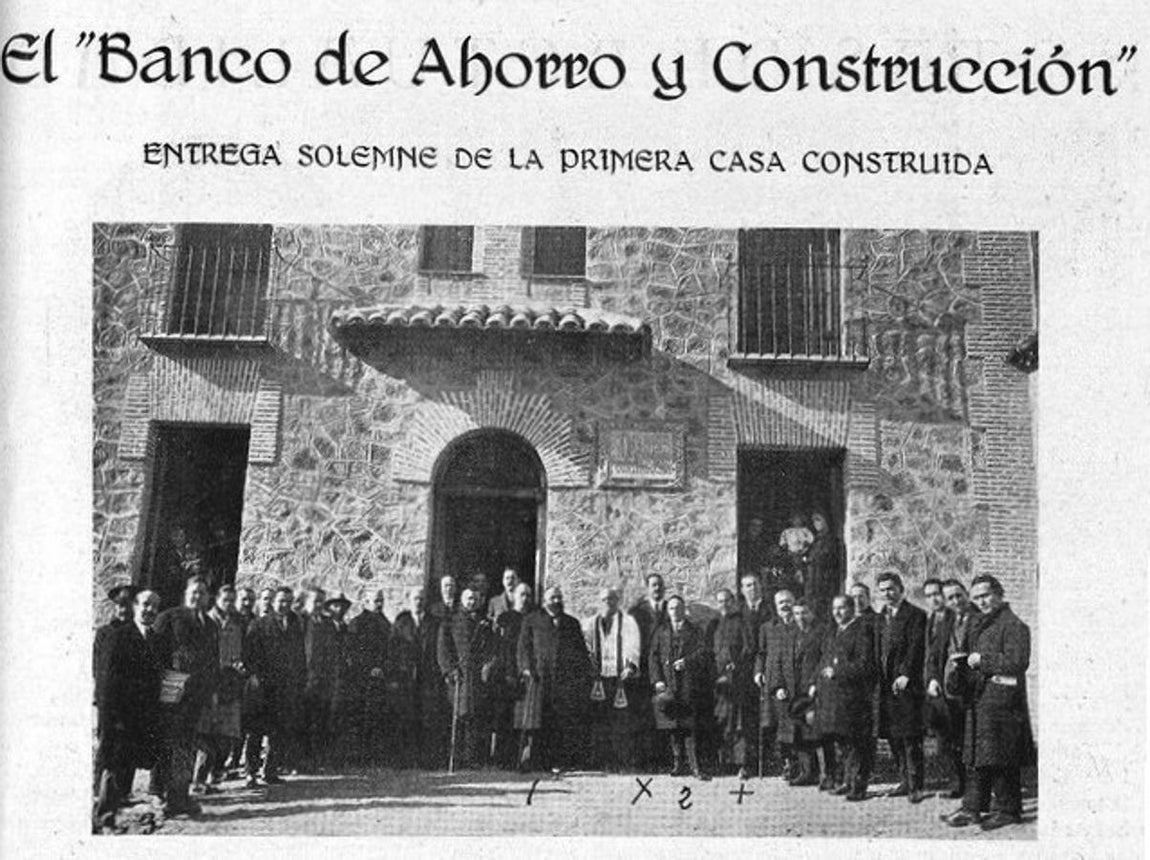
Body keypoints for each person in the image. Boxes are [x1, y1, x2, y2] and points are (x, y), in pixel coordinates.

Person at [942, 575, 1034, 832]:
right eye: (977, 597)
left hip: (1004, 705)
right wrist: (960, 668)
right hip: (980, 701)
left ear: (999, 594)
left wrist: (982, 660)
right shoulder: (979, 624)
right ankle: (973, 808)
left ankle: (1008, 810)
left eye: (986, 595)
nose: (981, 601)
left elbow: (1017, 663)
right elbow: (971, 660)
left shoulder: (1014, 625)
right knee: (978, 758)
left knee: (1002, 759)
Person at [93, 589, 163, 830]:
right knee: (113, 765)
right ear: (135, 606)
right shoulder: (118, 636)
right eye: (145, 604)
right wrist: (112, 718)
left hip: (141, 716)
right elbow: (107, 683)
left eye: (154, 606)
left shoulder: (153, 637)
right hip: (120, 715)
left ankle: (116, 814)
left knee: (128, 763)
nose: (149, 610)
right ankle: (104, 817)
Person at [152, 575, 219, 816]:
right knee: (167, 739)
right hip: (172, 683)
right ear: (185, 593)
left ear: (208, 597)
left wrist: (211, 691)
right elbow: (155, 652)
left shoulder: (211, 625)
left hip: (197, 690)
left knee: (187, 743)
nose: (197, 596)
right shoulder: (169, 617)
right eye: (194, 591)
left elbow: (213, 661)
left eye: (202, 592)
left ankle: (180, 794)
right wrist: (161, 682)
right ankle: (158, 792)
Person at [517, 585, 591, 771]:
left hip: (564, 681)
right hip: (539, 679)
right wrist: (526, 668)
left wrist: (580, 675)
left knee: (561, 721)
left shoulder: (571, 623)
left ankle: (558, 761)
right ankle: (533, 761)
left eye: (559, 597)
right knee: (538, 720)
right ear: (544, 601)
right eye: (552, 598)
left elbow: (581, 652)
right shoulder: (532, 620)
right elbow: (523, 648)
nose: (556, 601)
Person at [814, 595, 877, 802]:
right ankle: (847, 782)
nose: (837, 613)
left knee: (856, 743)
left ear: (851, 609)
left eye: (842, 608)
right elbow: (823, 659)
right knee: (843, 742)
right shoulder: (833, 631)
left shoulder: (861, 630)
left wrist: (838, 671)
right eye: (835, 609)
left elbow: (865, 664)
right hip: (833, 697)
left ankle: (858, 786)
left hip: (853, 697)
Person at [243, 586, 306, 786]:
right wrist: (257, 678)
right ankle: (250, 772)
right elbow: (249, 655)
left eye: (288, 601)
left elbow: (299, 656)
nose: (284, 605)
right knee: (256, 731)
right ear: (273, 602)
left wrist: (299, 679)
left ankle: (270, 771)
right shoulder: (259, 624)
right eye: (281, 601)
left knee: (278, 731)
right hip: (263, 686)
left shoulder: (295, 625)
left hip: (285, 687)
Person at [875, 571, 928, 804]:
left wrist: (906, 673)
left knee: (910, 736)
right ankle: (904, 780)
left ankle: (916, 785)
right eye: (883, 589)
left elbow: (916, 648)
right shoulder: (880, 618)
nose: (887, 593)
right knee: (893, 736)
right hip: (885, 686)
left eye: (891, 588)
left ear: (900, 589)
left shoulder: (916, 615)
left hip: (906, 685)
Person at [192, 585, 246, 793]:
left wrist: (240, 667)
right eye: (226, 599)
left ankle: (215, 776)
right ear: (217, 600)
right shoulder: (206, 621)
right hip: (209, 683)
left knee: (227, 734)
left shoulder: (237, 623)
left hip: (230, 684)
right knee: (207, 734)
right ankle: (198, 780)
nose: (229, 604)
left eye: (233, 600)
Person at [649, 595, 711, 780]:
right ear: (667, 612)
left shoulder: (695, 630)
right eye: (671, 608)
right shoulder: (661, 631)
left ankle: (695, 766)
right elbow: (653, 656)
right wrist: (657, 680)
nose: (675, 611)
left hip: (688, 685)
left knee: (690, 726)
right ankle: (678, 764)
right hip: (668, 685)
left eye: (678, 608)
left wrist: (687, 662)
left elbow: (704, 653)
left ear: (684, 609)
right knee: (673, 725)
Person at [582, 587, 641, 771]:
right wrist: (589, 665)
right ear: (600, 602)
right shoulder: (590, 623)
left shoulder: (628, 622)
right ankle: (599, 760)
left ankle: (620, 761)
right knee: (598, 720)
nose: (608, 603)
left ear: (618, 601)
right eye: (605, 600)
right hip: (598, 679)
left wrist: (630, 666)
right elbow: (586, 646)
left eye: (612, 599)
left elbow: (633, 645)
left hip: (619, 678)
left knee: (620, 721)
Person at [438, 587, 497, 769]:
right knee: (458, 716)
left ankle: (473, 759)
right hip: (460, 678)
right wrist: (449, 669)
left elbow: (492, 648)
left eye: (475, 599)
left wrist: (488, 665)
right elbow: (443, 649)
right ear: (462, 600)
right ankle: (455, 758)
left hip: (477, 678)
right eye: (469, 599)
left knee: (475, 717)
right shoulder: (451, 621)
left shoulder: (483, 622)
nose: (472, 602)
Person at [392, 587, 449, 769]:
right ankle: (405, 760)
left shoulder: (434, 623)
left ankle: (426, 760)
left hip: (427, 678)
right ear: (409, 600)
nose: (419, 602)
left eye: (422, 599)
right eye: (416, 598)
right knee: (406, 718)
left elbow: (439, 649)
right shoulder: (402, 622)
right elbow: (393, 649)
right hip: (406, 678)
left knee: (427, 718)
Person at [937, 578, 982, 799]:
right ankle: (959, 785)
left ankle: (976, 790)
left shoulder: (979, 618)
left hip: (971, 688)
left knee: (971, 740)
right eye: (950, 598)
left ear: (966, 593)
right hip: (950, 687)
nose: (956, 601)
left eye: (958, 595)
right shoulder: (949, 620)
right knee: (954, 739)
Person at [93, 583, 137, 802]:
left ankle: (123, 791)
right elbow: (96, 666)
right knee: (106, 742)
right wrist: (99, 693)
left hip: (131, 699)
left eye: (128, 605)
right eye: (120, 605)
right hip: (108, 698)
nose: (124, 610)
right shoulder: (104, 633)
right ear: (115, 607)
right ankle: (96, 789)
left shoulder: (139, 633)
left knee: (129, 743)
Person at [708, 587, 755, 779]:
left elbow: (749, 647)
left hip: (737, 680)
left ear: (733, 601)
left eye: (727, 600)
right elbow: (708, 651)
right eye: (720, 601)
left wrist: (737, 665)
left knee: (738, 722)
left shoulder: (742, 621)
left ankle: (742, 765)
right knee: (721, 721)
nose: (723, 604)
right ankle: (723, 763)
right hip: (718, 682)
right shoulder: (713, 624)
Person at [754, 589, 798, 777]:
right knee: (775, 724)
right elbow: (761, 653)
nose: (785, 606)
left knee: (793, 724)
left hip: (794, 681)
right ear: (775, 606)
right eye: (781, 603)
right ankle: (781, 762)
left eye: (788, 601)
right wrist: (758, 671)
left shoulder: (801, 625)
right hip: (772, 682)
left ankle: (795, 764)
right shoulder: (768, 627)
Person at [347, 589, 391, 765]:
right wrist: (369, 668)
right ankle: (360, 757)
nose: (379, 604)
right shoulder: (357, 623)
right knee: (361, 717)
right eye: (375, 601)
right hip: (361, 678)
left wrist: (383, 667)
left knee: (377, 717)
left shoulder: (386, 624)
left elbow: (390, 650)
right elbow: (353, 652)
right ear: (365, 602)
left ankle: (375, 756)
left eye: (381, 600)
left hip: (381, 677)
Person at [629, 573, 668, 767]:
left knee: (664, 712)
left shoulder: (672, 609)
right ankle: (642, 759)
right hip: (643, 671)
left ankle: (663, 759)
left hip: (664, 669)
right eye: (653, 585)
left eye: (660, 585)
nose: (657, 589)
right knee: (644, 714)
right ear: (647, 588)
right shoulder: (637, 613)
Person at [493, 582, 533, 769]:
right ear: (514, 596)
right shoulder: (505, 618)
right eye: (521, 594)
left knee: (523, 717)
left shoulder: (533, 618)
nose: (524, 598)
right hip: (506, 674)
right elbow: (501, 648)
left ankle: (521, 758)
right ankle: (502, 759)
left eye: (528, 595)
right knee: (504, 716)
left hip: (525, 674)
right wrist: (508, 671)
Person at [803, 512, 842, 621]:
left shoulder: (833, 541)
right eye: (814, 521)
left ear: (826, 521)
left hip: (826, 584)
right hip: (812, 584)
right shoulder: (814, 542)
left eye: (818, 519)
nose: (816, 523)